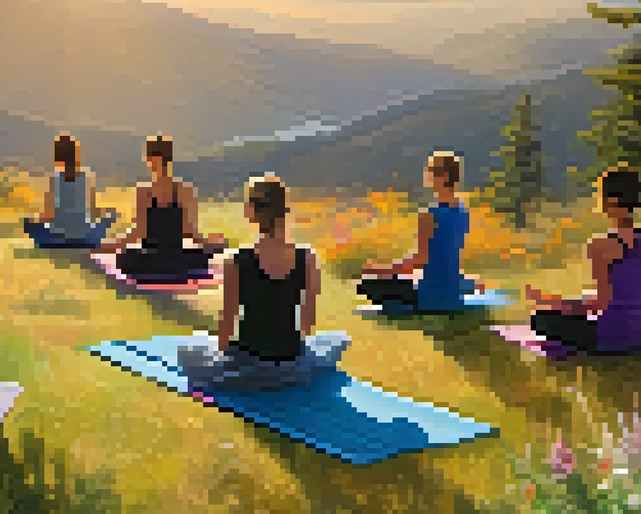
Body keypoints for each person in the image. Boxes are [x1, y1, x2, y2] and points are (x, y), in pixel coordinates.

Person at [178, 176, 351, 391]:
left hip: (247, 358)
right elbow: (307, 321)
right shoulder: (308, 257)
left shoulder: (236, 259)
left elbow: (228, 321)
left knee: (189, 348)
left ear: (252, 211)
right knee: (333, 341)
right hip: (290, 356)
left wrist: (221, 358)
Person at [524, 166, 641, 354]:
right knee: (581, 302)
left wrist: (550, 303)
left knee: (539, 319)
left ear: (609, 201)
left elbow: (600, 304)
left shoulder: (599, 245)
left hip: (616, 335)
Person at [358, 151, 483, 312]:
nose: (428, 176)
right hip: (452, 293)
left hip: (430, 296)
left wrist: (380, 269)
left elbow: (419, 259)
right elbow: (451, 258)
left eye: (431, 170)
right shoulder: (463, 212)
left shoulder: (429, 215)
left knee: (367, 283)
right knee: (407, 279)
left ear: (444, 176)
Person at [99, 135, 228, 280]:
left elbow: (138, 233)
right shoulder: (185, 190)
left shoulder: (143, 191)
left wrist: (110, 244)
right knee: (201, 256)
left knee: (124, 257)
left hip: (150, 260)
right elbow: (190, 233)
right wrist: (213, 244)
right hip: (178, 260)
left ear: (150, 159)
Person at [24, 133, 118, 248]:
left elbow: (48, 214)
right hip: (85, 237)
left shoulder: (55, 179)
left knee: (29, 223)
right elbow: (93, 212)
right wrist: (108, 214)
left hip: (58, 236)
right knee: (103, 223)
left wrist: (34, 219)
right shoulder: (86, 177)